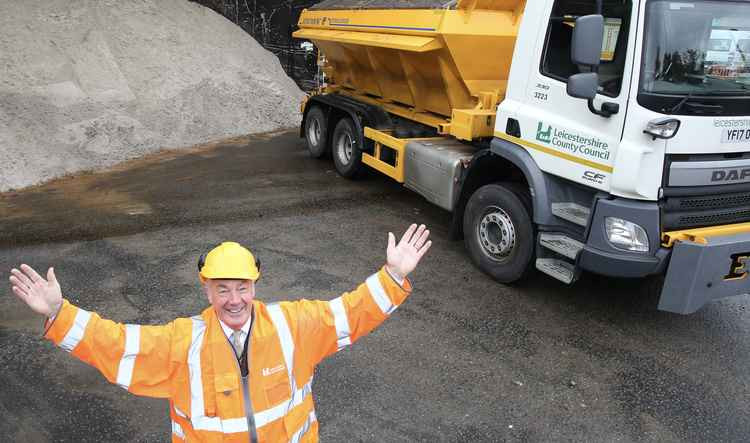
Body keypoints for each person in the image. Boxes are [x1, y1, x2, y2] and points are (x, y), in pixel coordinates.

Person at [9, 224, 432, 443]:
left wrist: (393, 275)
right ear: (206, 288)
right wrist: (59, 314)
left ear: (255, 285)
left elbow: (349, 313)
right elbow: (118, 346)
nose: (234, 300)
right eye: (223, 289)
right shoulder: (182, 344)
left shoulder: (293, 327)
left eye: (242, 288)